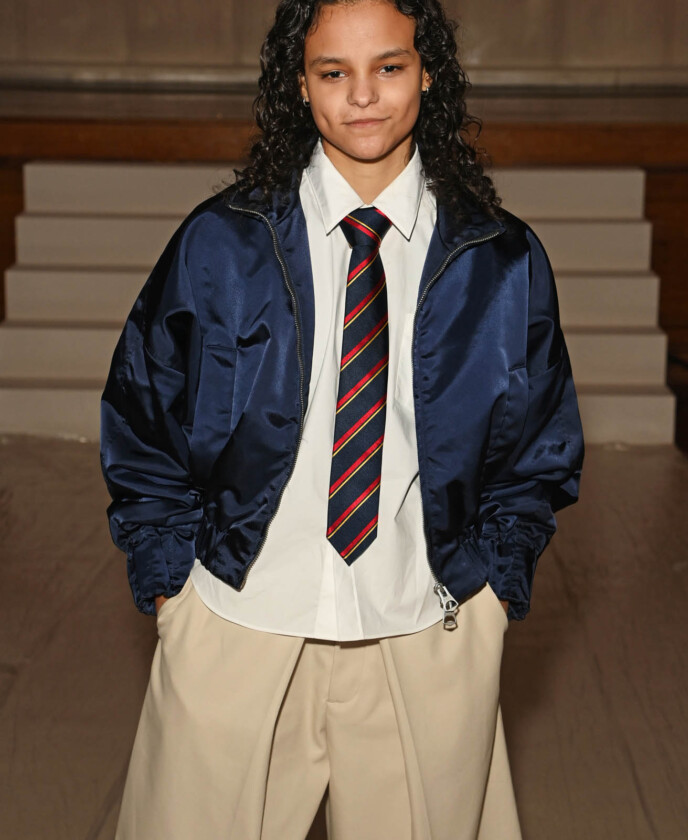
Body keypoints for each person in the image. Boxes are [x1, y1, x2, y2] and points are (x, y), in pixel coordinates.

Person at [100, 0, 585, 837]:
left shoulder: (500, 260)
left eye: (389, 66)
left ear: (428, 73)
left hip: (423, 623)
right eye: (334, 72)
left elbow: (538, 445)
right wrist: (172, 585)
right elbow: (144, 411)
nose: (363, 94)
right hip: (239, 614)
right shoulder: (222, 244)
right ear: (299, 84)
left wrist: (493, 592)